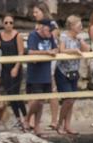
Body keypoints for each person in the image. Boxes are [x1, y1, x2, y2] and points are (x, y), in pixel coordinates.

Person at [54, 15, 89, 135]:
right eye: (79, 25)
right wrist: (74, 51)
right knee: (68, 99)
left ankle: (67, 126)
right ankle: (59, 125)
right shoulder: (64, 36)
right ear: (72, 26)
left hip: (74, 72)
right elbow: (62, 50)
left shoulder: (78, 38)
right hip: (63, 72)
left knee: (72, 100)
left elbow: (87, 50)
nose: (81, 27)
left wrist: (81, 40)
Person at [0, 14, 27, 131]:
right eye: (6, 22)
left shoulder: (17, 35)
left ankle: (26, 118)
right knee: (10, 95)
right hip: (5, 69)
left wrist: (16, 67)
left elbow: (21, 52)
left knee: (16, 94)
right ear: (2, 24)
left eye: (11, 23)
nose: (8, 25)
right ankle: (19, 119)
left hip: (15, 67)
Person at [25, 20, 58, 136]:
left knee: (42, 102)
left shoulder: (50, 37)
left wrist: (53, 51)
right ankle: (27, 118)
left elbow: (55, 48)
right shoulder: (33, 36)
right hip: (35, 74)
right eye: (49, 30)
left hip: (46, 73)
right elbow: (30, 52)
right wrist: (46, 52)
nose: (51, 33)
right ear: (43, 28)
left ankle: (37, 126)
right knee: (37, 101)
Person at [32, 2, 60, 131]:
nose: (34, 14)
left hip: (49, 57)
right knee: (37, 90)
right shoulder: (37, 25)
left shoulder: (51, 24)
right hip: (40, 56)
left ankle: (54, 120)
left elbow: (52, 38)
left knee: (51, 86)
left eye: (37, 12)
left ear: (43, 11)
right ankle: (34, 120)